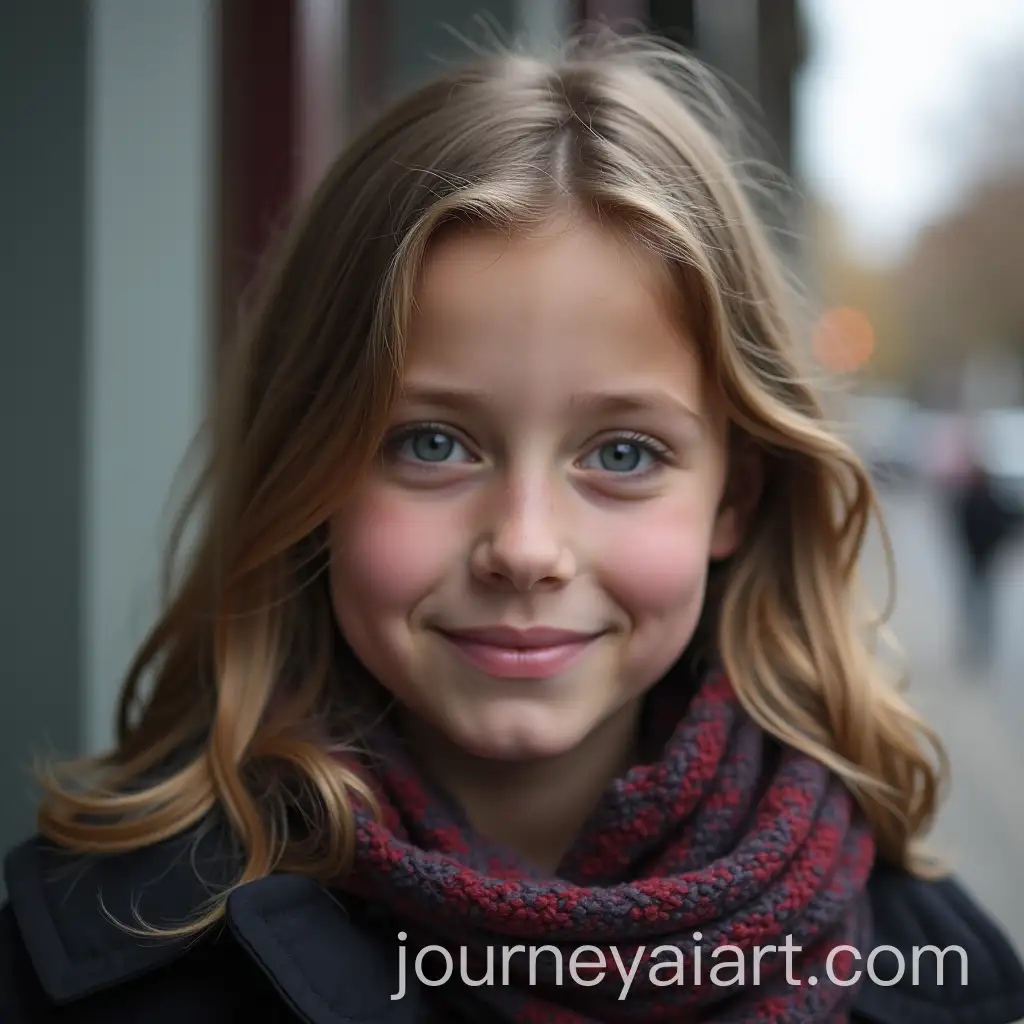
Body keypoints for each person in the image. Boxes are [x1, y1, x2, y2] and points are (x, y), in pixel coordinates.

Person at [3, 33, 1024, 1024]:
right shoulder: (95, 970)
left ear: (734, 499)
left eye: (621, 454)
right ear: (308, 470)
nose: (527, 548)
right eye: (432, 444)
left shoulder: (944, 979)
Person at [950, 457, 1024, 671]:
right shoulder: (967, 500)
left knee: (984, 602)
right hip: (973, 558)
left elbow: (1009, 520)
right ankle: (973, 639)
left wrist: (996, 545)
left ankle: (982, 640)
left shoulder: (991, 499)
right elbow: (959, 528)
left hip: (985, 557)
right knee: (973, 601)